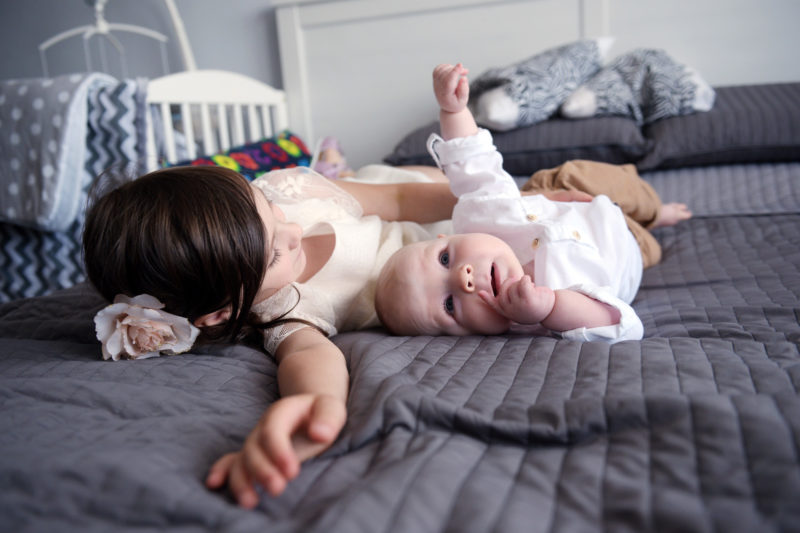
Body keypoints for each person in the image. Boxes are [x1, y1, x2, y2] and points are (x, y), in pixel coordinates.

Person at [82, 162, 456, 508]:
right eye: (275, 255)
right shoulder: (282, 308)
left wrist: (482, 199)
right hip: (447, 264)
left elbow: (399, 197)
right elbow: (307, 353)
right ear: (222, 313)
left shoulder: (290, 191)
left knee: (444, 172)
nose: (295, 232)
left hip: (415, 200)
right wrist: (314, 402)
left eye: (272, 211)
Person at [374, 62, 691, 341]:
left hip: (573, 199)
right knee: (652, 248)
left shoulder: (480, 216)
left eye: (445, 259)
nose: (463, 277)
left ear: (448, 237)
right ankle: (652, 221)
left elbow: (473, 164)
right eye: (449, 305)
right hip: (628, 245)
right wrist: (549, 307)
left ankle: (653, 208)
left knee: (582, 176)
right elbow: (623, 325)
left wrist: (453, 110)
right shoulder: (543, 318)